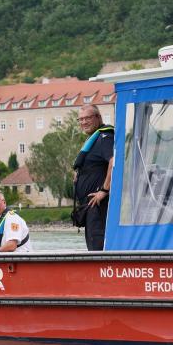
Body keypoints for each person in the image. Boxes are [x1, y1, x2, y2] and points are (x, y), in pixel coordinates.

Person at [74, 104, 114, 251]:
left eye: (88, 118)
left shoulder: (105, 137)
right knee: (93, 246)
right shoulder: (94, 139)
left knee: (98, 248)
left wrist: (104, 190)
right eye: (81, 119)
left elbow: (113, 161)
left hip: (99, 205)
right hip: (90, 205)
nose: (84, 122)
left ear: (98, 117)